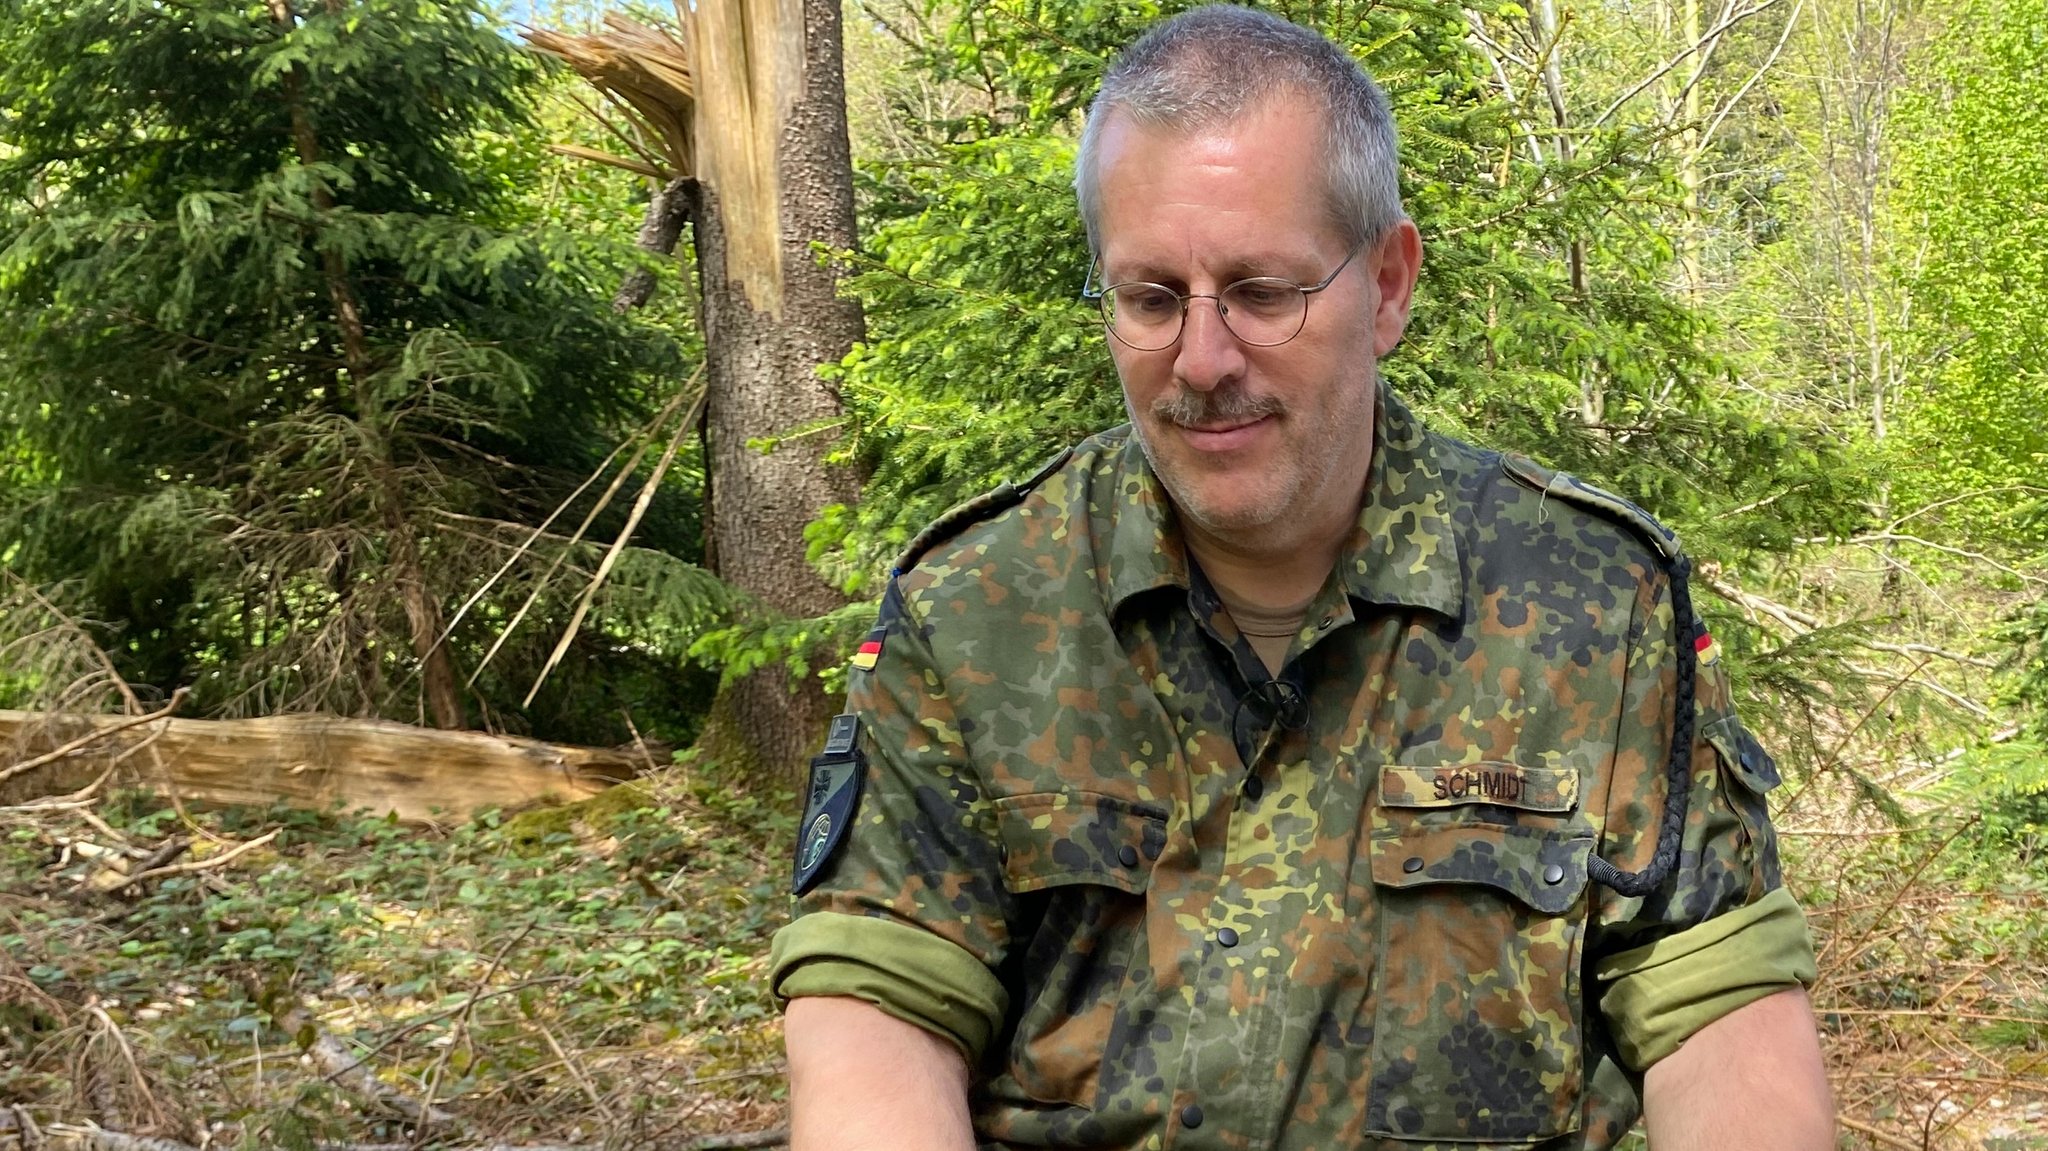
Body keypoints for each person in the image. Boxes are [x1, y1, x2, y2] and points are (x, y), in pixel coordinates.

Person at [767, 7, 1835, 1149]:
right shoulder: (977, 607)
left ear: (1385, 286)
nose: (1202, 358)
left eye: (1262, 291)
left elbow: (1717, 1011)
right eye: (1149, 297)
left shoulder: (1593, 598)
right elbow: (877, 1006)